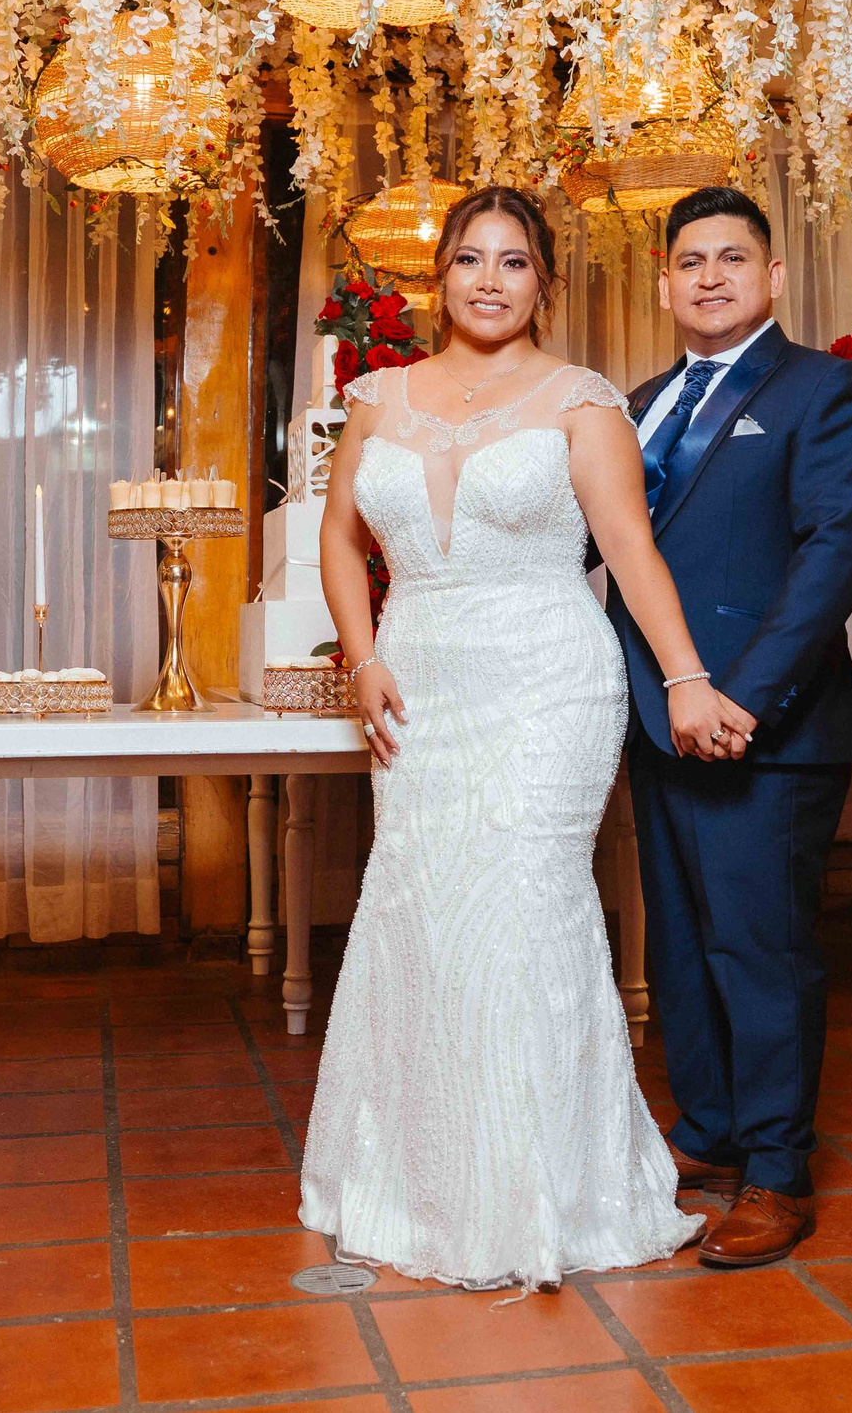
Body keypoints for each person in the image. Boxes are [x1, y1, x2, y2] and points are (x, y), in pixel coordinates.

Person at [299, 185, 745, 1290]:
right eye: (468, 260)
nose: (489, 279)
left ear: (543, 281)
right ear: (438, 277)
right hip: (419, 682)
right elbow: (339, 538)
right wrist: (361, 657)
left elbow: (632, 552)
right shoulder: (377, 398)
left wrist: (685, 676)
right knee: (419, 906)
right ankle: (420, 1179)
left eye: (512, 261)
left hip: (549, 677)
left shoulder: (581, 400)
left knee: (527, 903)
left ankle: (550, 1183)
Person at [606, 185, 852, 1266]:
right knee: (678, 941)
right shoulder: (636, 403)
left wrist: (741, 694)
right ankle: (710, 1129)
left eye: (731, 257)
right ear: (666, 282)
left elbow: (828, 558)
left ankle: (775, 1168)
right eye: (689, 261)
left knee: (759, 947)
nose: (708, 275)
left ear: (771, 277)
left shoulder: (825, 389)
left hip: (768, 722)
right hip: (654, 717)